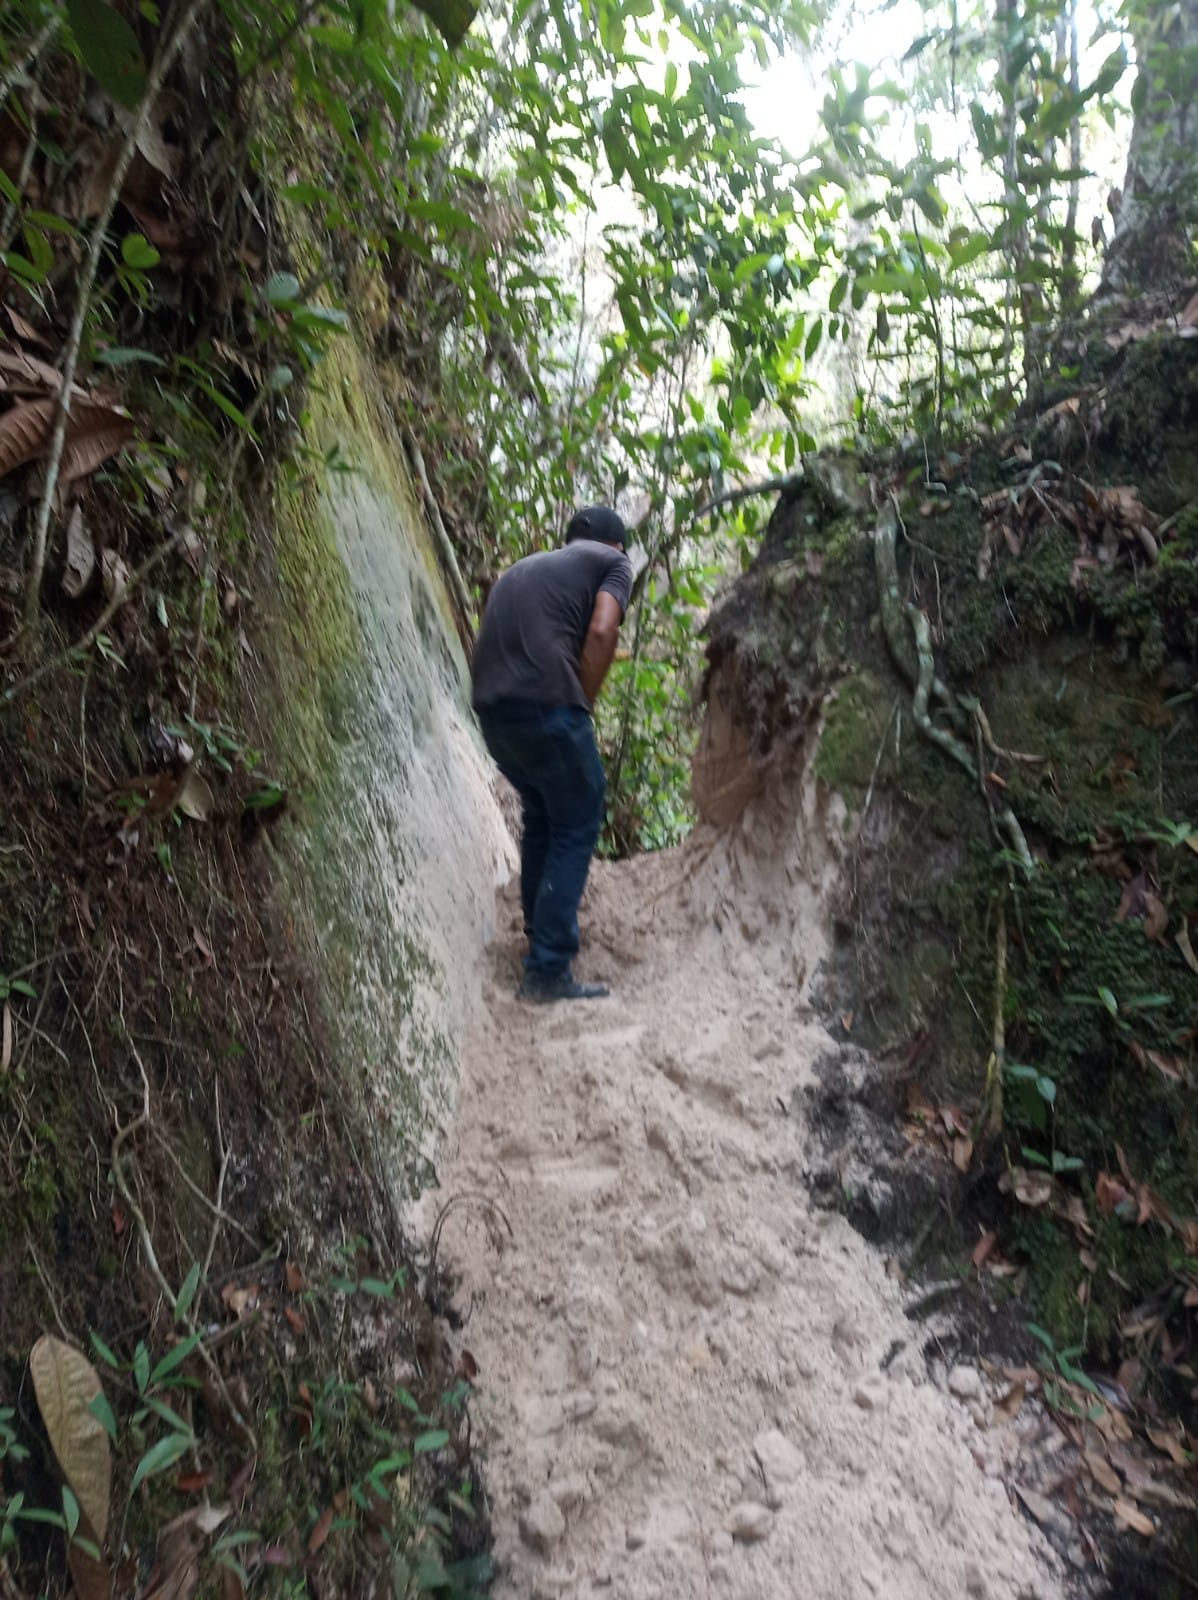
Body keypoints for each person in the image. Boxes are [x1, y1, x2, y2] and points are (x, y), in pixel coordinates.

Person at [472, 506, 633, 1003]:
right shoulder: (614, 563)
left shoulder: (529, 567)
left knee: (544, 815)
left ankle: (538, 936)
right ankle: (547, 971)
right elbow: (603, 631)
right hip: (548, 704)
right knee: (579, 813)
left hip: (492, 714)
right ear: (616, 546)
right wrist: (581, 703)